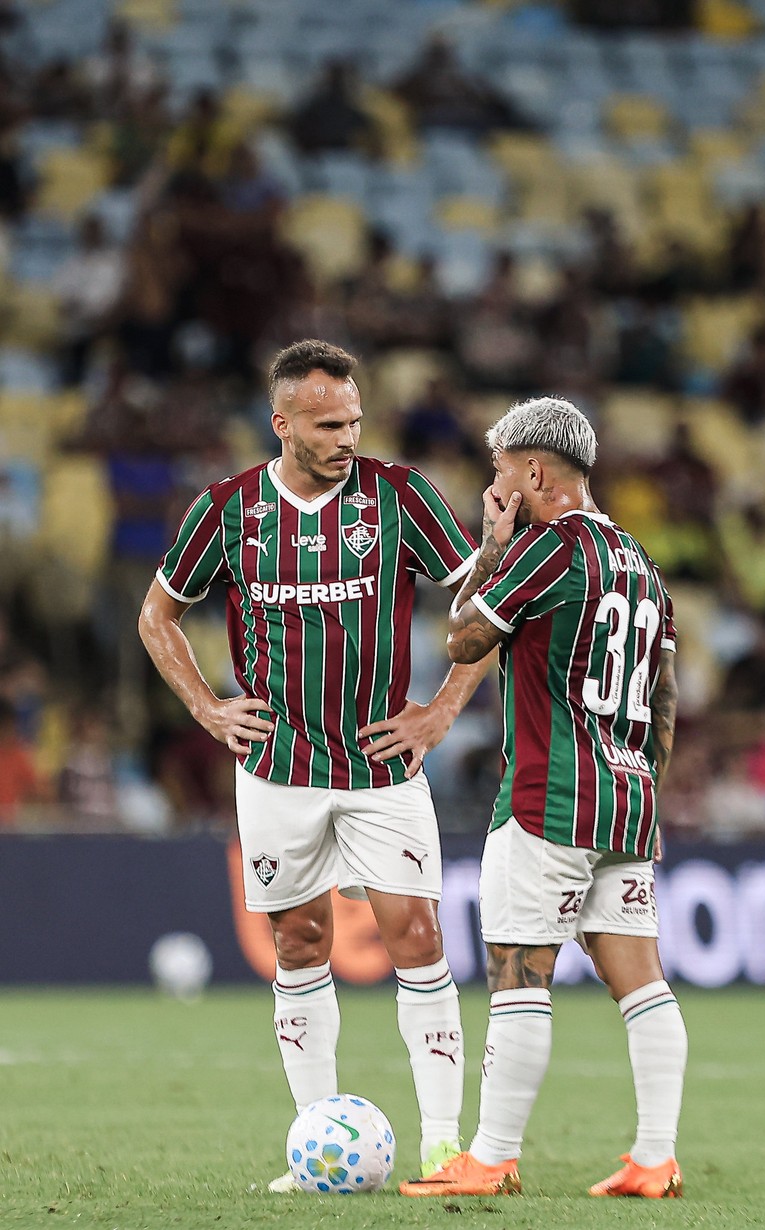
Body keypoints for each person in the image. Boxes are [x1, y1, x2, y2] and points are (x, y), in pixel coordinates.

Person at [138, 339, 489, 1189]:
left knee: (419, 936)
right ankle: (311, 1146)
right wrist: (206, 706)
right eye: (328, 424)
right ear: (282, 421)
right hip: (276, 771)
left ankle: (444, 1146)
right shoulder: (227, 511)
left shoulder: (400, 497)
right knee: (298, 941)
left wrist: (440, 710)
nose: (347, 437)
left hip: (380, 770)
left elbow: (488, 611)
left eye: (356, 421)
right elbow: (158, 617)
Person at [401, 397, 687, 1199]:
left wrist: (493, 549)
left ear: (534, 472)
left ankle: (491, 1157)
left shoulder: (549, 549)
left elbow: (460, 638)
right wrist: (645, 788)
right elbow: (664, 697)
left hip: (549, 797)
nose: (494, 488)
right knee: (642, 980)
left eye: (500, 473)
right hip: (629, 801)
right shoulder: (641, 565)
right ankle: (655, 1157)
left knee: (519, 974)